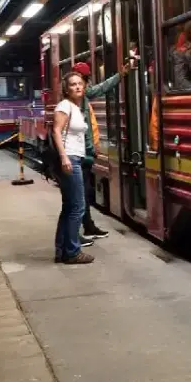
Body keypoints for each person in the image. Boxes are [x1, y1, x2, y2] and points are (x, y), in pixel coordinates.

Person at [71, 57, 135, 240]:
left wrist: (119, 75)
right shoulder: (74, 102)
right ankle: (75, 235)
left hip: (82, 153)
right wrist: (91, 150)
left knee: (84, 193)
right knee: (80, 195)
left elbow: (98, 90)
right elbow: (82, 129)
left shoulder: (81, 97)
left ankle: (88, 226)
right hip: (79, 154)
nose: (85, 84)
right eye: (84, 79)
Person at [52, 72, 93, 264]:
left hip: (74, 158)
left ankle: (62, 250)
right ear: (66, 89)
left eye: (80, 84)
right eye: (73, 84)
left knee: (69, 207)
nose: (77, 87)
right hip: (70, 159)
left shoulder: (76, 107)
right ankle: (72, 252)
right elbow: (56, 131)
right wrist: (64, 157)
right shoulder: (65, 106)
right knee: (78, 207)